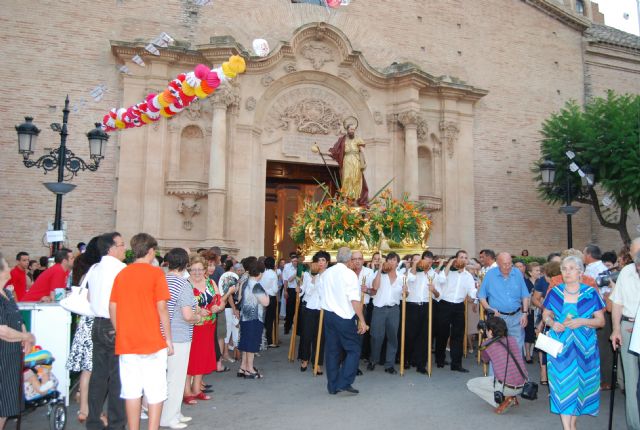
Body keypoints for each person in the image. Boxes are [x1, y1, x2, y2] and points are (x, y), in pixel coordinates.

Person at [109, 233, 173, 430]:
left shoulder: (122, 273)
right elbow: (162, 307)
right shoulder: (156, 274)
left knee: (131, 390)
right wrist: (168, 338)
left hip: (128, 341)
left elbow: (113, 306)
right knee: (156, 391)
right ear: (151, 251)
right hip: (152, 339)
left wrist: (120, 329)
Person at [542, 255, 605, 430]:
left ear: (580, 272)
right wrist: (552, 323)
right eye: (564, 269)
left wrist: (582, 321)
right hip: (560, 348)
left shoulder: (590, 293)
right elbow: (545, 315)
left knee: (581, 387)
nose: (567, 272)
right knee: (563, 386)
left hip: (585, 349)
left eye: (571, 268)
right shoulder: (555, 292)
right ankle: (567, 428)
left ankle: (572, 424)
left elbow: (601, 321)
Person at [86, 232, 127, 430]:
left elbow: (89, 297)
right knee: (118, 376)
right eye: (121, 245)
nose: (124, 248)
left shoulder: (94, 269)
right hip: (115, 323)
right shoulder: (121, 269)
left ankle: (93, 420)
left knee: (98, 376)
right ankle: (116, 423)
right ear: (111, 248)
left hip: (98, 323)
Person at [160, 248, 201, 430]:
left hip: (161, 333)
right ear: (185, 264)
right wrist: (198, 316)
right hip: (179, 335)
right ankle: (169, 417)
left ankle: (174, 412)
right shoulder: (183, 285)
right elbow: (187, 315)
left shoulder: (162, 279)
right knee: (175, 377)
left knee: (166, 376)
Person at [65, 237, 103, 425]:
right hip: (95, 323)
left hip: (85, 323)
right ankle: (91, 411)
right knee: (95, 371)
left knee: (88, 371)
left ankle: (84, 409)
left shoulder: (83, 268)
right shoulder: (96, 272)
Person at [320, 247, 367, 395]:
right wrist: (362, 320)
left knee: (332, 351)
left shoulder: (326, 273)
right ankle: (344, 382)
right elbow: (354, 300)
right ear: (349, 260)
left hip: (329, 315)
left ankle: (332, 386)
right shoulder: (349, 274)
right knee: (353, 349)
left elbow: (321, 294)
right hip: (344, 317)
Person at [0, 252, 36, 430]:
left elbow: (18, 318)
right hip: (2, 357)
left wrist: (26, 336)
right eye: (6, 267)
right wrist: (25, 337)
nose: (9, 270)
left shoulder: (6, 292)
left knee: (6, 405)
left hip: (11, 357)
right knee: (1, 403)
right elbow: (3, 330)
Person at [467, 317, 528, 415]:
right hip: (523, 384)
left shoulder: (487, 344)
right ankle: (511, 396)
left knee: (471, 384)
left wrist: (485, 342)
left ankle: (502, 401)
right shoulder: (511, 339)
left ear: (490, 332)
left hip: (507, 386)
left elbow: (485, 360)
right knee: (504, 372)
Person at [610, 239, 640, 430]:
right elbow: (617, 303)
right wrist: (616, 329)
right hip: (628, 328)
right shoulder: (626, 273)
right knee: (631, 382)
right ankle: (635, 425)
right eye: (634, 252)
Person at [184, 254, 220, 404]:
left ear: (204, 269)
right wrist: (197, 311)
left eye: (200, 269)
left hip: (209, 326)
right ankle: (187, 392)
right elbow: (182, 305)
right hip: (193, 327)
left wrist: (218, 306)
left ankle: (197, 389)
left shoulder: (211, 282)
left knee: (203, 358)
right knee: (190, 360)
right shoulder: (185, 284)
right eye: (194, 269)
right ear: (189, 269)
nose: (197, 272)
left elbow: (219, 299)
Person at [434, 251, 477, 372]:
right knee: (442, 334)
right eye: (461, 257)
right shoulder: (448, 272)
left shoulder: (468, 276)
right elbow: (441, 280)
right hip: (444, 305)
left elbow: (471, 291)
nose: (463, 260)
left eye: (465, 258)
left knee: (458, 336)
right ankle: (440, 359)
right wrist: (449, 264)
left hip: (458, 307)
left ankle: (456, 364)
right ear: (456, 259)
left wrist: (477, 293)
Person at [478, 252, 529, 353]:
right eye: (505, 264)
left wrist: (525, 313)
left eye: (510, 263)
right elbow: (481, 295)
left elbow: (525, 295)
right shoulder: (490, 274)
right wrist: (489, 308)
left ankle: (514, 369)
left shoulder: (517, 273)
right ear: (498, 263)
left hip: (517, 317)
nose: (508, 266)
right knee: (498, 350)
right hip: (498, 318)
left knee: (517, 350)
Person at [368, 252, 406, 374]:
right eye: (389, 259)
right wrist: (379, 270)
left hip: (394, 309)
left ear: (397, 263)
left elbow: (405, 294)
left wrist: (406, 292)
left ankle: (389, 364)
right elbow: (374, 287)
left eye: (394, 260)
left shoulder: (402, 277)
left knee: (392, 337)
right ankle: (374, 359)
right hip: (379, 309)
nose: (391, 261)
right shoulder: (379, 274)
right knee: (376, 336)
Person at [405, 253, 439, 374]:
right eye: (426, 262)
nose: (428, 265)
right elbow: (411, 280)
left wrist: (433, 290)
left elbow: (438, 295)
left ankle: (421, 364)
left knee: (424, 336)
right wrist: (415, 265)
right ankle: (407, 359)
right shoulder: (412, 271)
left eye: (430, 263)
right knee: (410, 335)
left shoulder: (433, 274)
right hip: (412, 306)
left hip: (426, 306)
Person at [238, 258, 270, 379]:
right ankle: (249, 369)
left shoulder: (246, 281)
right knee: (251, 344)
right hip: (254, 318)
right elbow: (266, 302)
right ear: (260, 273)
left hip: (245, 317)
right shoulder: (256, 285)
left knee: (246, 342)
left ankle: (244, 367)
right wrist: (267, 294)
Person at [298, 251, 328, 373]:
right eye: (318, 260)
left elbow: (326, 293)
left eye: (323, 261)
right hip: (309, 308)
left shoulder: (329, 275)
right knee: (306, 335)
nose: (320, 263)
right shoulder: (306, 275)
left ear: (327, 263)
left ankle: (318, 362)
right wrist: (313, 278)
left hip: (322, 309)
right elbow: (307, 292)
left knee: (320, 337)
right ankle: (305, 359)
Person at [328, 121, 369, 206]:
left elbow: (362, 150)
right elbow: (336, 151)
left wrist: (364, 161)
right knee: (347, 178)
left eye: (354, 129)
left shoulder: (358, 139)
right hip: (347, 160)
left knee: (356, 179)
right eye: (351, 129)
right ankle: (346, 198)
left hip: (356, 160)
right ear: (347, 129)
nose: (352, 131)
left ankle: (355, 199)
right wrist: (325, 153)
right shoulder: (342, 140)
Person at [350, 251, 373, 362]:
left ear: (363, 260)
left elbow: (374, 292)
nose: (357, 261)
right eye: (354, 259)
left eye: (359, 258)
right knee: (350, 334)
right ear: (351, 260)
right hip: (348, 307)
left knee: (360, 334)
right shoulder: (347, 272)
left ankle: (356, 360)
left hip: (362, 306)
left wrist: (367, 290)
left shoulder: (369, 272)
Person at [261, 257, 279, 348]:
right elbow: (275, 289)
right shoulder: (273, 274)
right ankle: (270, 341)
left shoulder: (263, 273)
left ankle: (263, 339)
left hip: (263, 297)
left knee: (263, 318)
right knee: (270, 319)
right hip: (271, 297)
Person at [282, 253, 299, 335]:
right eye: (293, 261)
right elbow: (287, 280)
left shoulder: (301, 267)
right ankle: (287, 327)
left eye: (296, 261)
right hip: (291, 289)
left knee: (299, 310)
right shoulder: (287, 267)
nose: (295, 263)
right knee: (290, 310)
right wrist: (285, 291)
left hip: (300, 290)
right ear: (291, 261)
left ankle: (298, 329)